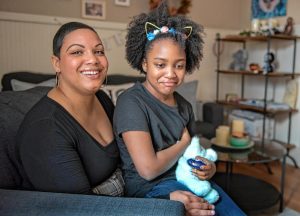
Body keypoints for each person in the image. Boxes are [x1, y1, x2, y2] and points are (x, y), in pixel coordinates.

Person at [113, 2, 246, 216]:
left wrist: (208, 168)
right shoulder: (131, 102)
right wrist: (182, 143)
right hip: (150, 190)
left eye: (179, 65)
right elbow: (148, 170)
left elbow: (194, 152)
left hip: (187, 179)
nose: (171, 73)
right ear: (145, 64)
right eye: (160, 64)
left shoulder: (183, 105)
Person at [16, 22, 120, 195]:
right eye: (77, 52)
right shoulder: (45, 129)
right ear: (56, 63)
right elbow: (78, 208)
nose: (93, 59)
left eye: (99, 51)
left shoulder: (102, 99)